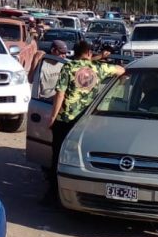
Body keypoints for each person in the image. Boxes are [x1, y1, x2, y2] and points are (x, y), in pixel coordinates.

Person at [47, 40, 124, 198]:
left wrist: (53, 117)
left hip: (65, 119)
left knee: (58, 157)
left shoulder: (68, 67)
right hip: (86, 121)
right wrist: (99, 59)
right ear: (89, 53)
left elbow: (60, 93)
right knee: (83, 157)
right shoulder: (99, 68)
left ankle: (54, 193)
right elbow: (121, 70)